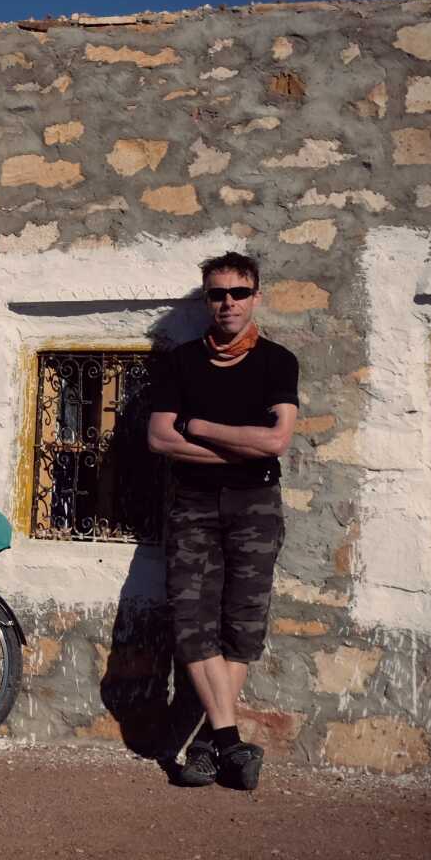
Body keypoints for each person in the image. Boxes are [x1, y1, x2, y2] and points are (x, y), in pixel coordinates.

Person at [147, 252, 298, 790]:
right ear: (206, 298)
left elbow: (277, 441)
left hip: (255, 506)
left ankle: (209, 745)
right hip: (191, 505)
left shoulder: (278, 362)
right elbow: (161, 439)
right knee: (191, 625)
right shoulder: (180, 362)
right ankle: (232, 742)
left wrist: (201, 426)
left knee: (242, 626)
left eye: (238, 292)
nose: (227, 302)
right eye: (217, 293)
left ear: (256, 296)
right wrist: (242, 446)